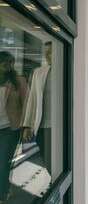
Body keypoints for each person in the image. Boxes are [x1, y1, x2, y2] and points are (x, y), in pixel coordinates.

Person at [0, 51, 28, 202]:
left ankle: (3, 193)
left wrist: (26, 126)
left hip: (10, 129)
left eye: (10, 61)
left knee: (3, 162)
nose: (7, 64)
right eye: (4, 61)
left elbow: (27, 104)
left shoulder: (18, 81)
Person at [23, 41, 52, 174]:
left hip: (61, 127)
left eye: (50, 52)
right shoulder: (39, 72)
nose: (47, 56)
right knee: (47, 160)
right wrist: (28, 125)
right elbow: (32, 100)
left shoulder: (68, 70)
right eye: (45, 52)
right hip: (42, 125)